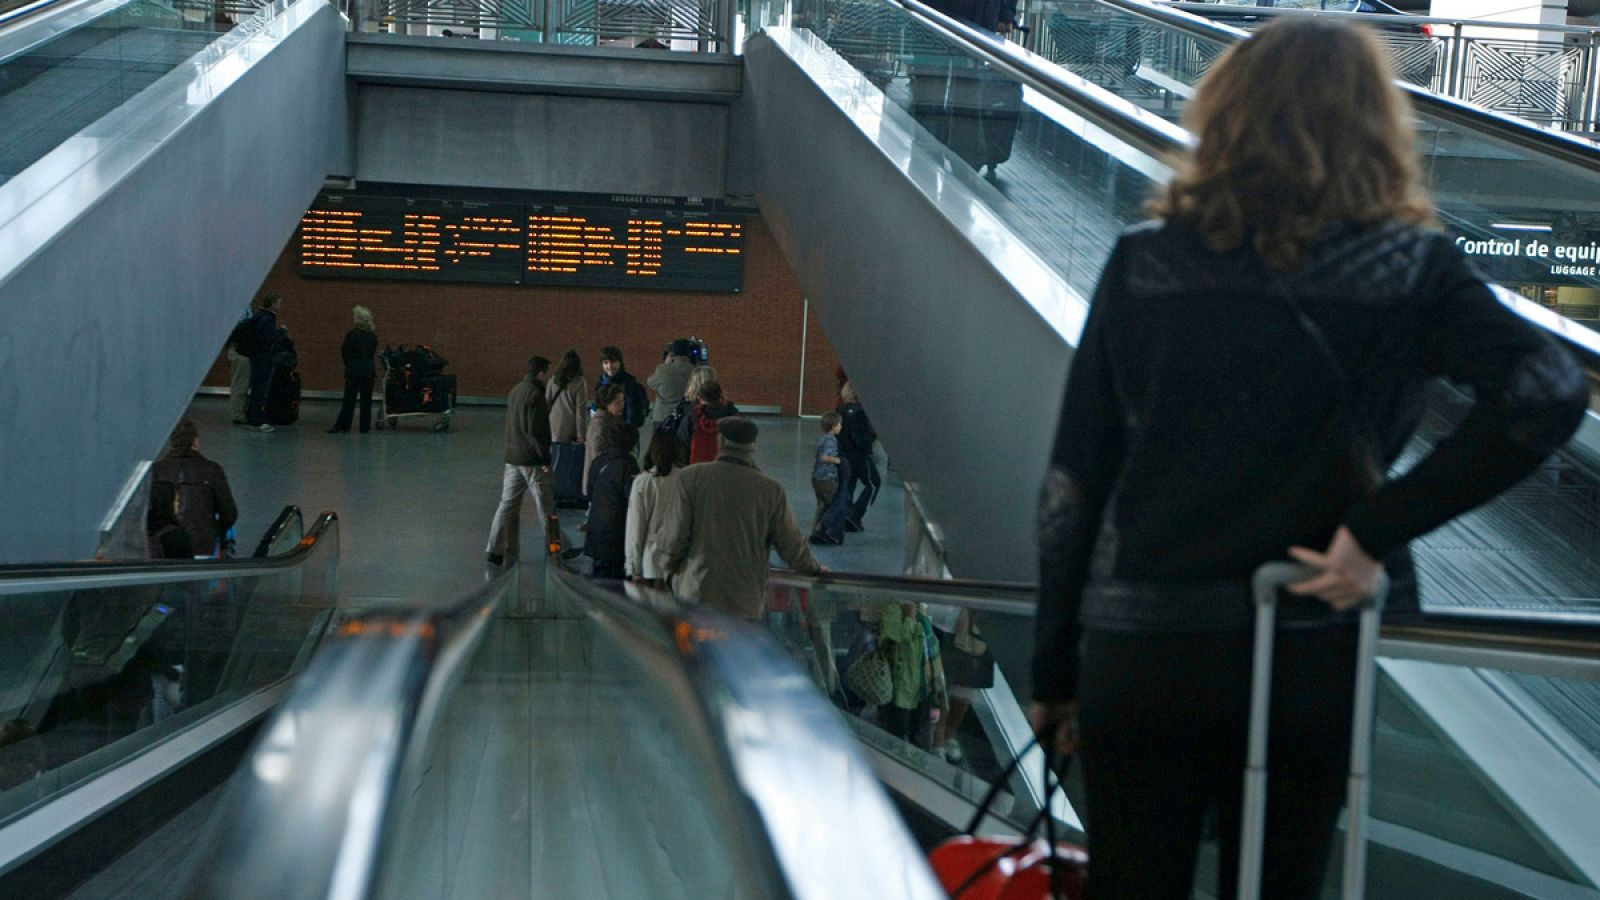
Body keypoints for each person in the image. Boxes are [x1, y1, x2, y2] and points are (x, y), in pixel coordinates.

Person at [1027, 20, 1588, 900]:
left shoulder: (1146, 260)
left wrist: (1055, 670)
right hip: (1307, 646)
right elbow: (1550, 386)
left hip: (1147, 646)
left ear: (1227, 114)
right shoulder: (1410, 268)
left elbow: (1071, 487)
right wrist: (1375, 530)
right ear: (1374, 124)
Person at [658, 417, 825, 619]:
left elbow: (675, 536)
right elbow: (791, 545)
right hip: (745, 602)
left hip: (696, 594)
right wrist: (813, 569)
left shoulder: (691, 477)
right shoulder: (770, 490)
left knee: (694, 650)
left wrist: (669, 572)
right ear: (752, 446)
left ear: (720, 441)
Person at [486, 356, 555, 566]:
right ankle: (556, 549)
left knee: (507, 505)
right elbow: (536, 431)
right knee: (547, 508)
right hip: (531, 460)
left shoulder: (515, 391)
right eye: (547, 373)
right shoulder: (535, 395)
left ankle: (495, 548)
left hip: (512, 458)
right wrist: (544, 458)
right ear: (541, 373)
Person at [150, 419, 238, 558]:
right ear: (196, 442)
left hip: (165, 547)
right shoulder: (212, 469)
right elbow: (229, 513)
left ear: (172, 442)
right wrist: (213, 531)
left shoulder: (156, 470)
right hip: (202, 545)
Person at [625, 431, 686, 584]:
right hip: (681, 564)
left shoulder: (644, 481)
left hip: (651, 563)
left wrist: (633, 567)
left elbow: (636, 526)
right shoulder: (688, 478)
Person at [584, 421, 641, 578]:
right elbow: (632, 500)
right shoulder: (629, 466)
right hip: (617, 534)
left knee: (598, 579)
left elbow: (590, 492)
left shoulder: (599, 461)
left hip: (596, 530)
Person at [837, 382, 880, 531]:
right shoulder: (862, 412)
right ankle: (855, 515)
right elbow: (862, 438)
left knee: (848, 486)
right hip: (860, 456)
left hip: (844, 455)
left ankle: (845, 515)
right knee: (874, 484)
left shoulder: (840, 409)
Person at [329, 306, 378, 434]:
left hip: (354, 369)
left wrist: (349, 363)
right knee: (366, 400)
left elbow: (344, 351)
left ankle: (343, 425)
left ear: (359, 319)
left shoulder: (352, 334)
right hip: (369, 370)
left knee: (349, 399)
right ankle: (364, 427)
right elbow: (372, 351)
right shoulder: (373, 335)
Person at [239, 294, 282, 432]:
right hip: (263, 357)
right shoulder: (267, 319)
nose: (280, 306)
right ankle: (256, 420)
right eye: (279, 303)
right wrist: (282, 332)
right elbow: (270, 338)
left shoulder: (257, 316)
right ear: (273, 304)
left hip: (255, 356)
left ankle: (252, 417)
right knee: (260, 389)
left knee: (256, 387)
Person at [810, 411, 850, 545]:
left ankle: (815, 531)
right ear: (833, 426)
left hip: (817, 478)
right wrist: (840, 461)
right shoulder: (831, 440)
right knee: (836, 506)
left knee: (822, 505)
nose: (841, 427)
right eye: (839, 424)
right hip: (827, 478)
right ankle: (824, 530)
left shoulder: (823, 438)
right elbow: (825, 457)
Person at [679, 380, 741, 465]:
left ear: (700, 398)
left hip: (697, 470)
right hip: (727, 470)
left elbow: (682, 446)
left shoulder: (692, 418)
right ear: (721, 395)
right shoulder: (735, 418)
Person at [585, 385, 626, 496]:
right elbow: (598, 455)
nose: (622, 405)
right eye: (617, 403)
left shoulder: (608, 420)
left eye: (623, 401)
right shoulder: (602, 424)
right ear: (606, 404)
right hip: (601, 485)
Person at [597, 346, 649, 430]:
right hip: (605, 430)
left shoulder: (630, 384)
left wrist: (627, 431)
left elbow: (634, 414)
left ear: (620, 362)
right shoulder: (601, 382)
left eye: (613, 362)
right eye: (605, 362)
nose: (609, 366)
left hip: (624, 432)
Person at [648, 339, 697, 426]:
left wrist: (666, 364)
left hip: (663, 415)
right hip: (686, 415)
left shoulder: (662, 369)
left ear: (672, 353)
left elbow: (650, 383)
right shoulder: (695, 370)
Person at [546, 349, 589, 445]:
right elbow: (580, 411)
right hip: (569, 429)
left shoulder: (553, 380)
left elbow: (546, 404)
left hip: (552, 427)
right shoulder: (580, 382)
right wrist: (581, 435)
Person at [225, 305, 254, 425]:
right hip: (240, 351)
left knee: (240, 383)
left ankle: (238, 412)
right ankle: (237, 414)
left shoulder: (244, 307)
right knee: (240, 384)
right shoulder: (243, 309)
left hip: (237, 350)